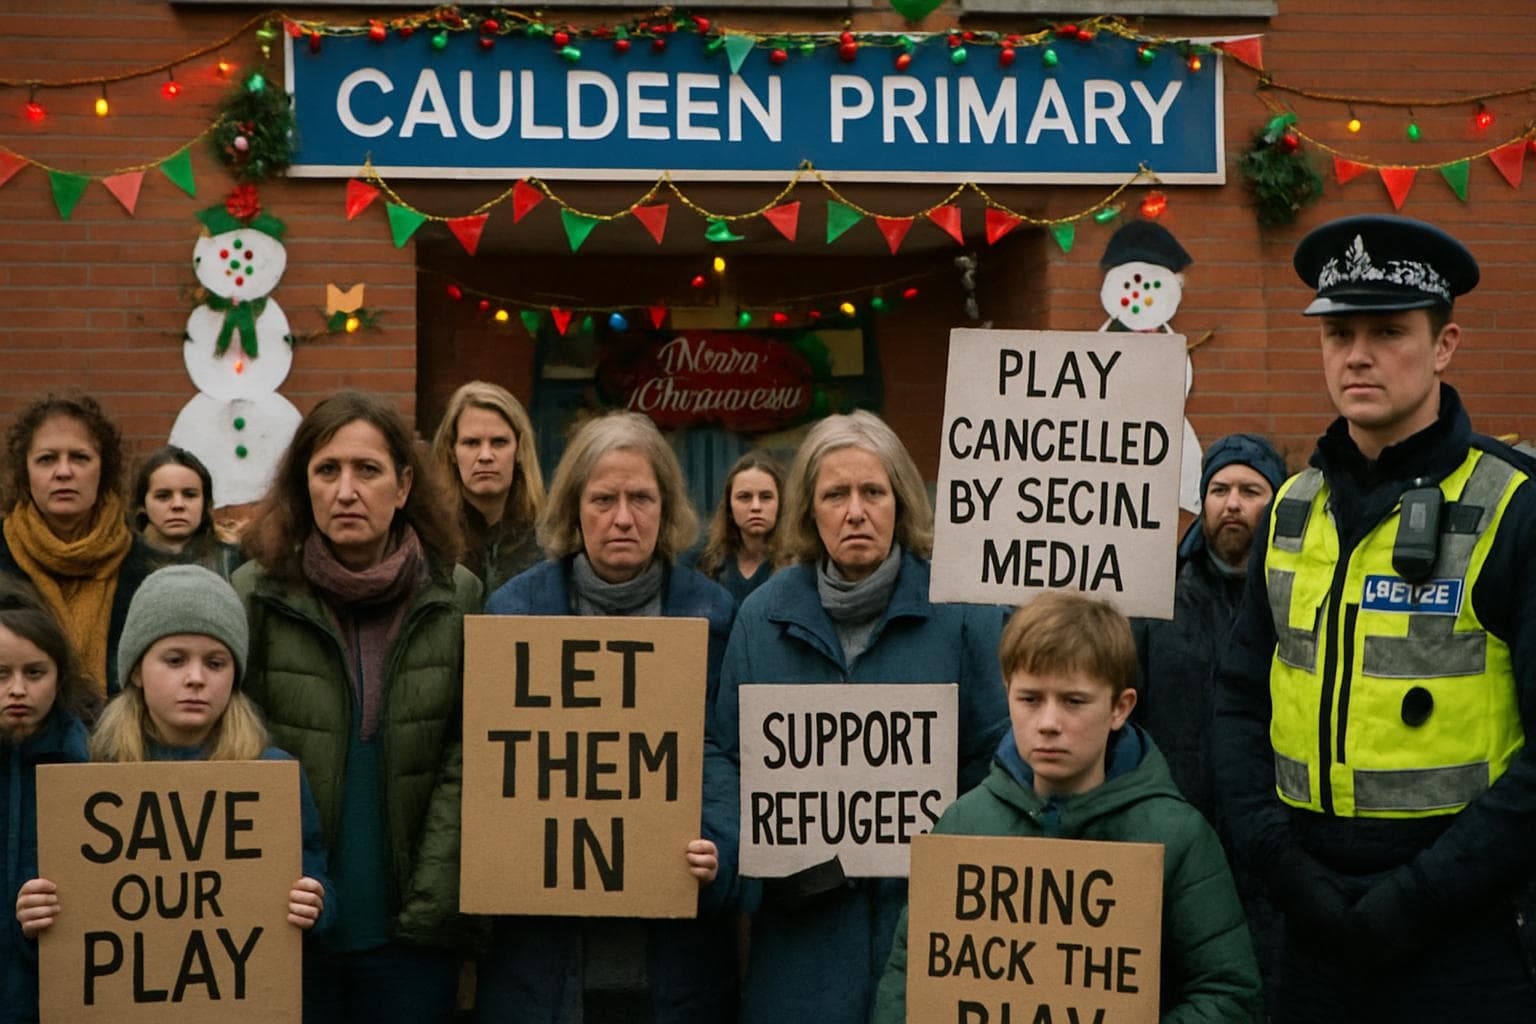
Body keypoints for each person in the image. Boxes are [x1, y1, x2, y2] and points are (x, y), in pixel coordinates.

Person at [1214, 214, 1536, 1022]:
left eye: (1389, 331)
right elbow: (1237, 699)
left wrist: (1420, 896)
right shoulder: (1290, 508)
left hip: (1463, 933)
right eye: (1339, 332)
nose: (1356, 355)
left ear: (1445, 344)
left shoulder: (1515, 509)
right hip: (1312, 920)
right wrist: (1280, 865)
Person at [705, 409, 1010, 1024]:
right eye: (835, 494)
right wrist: (748, 864)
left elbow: (996, 754)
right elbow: (725, 753)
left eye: (873, 491)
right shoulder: (761, 616)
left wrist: (952, 858)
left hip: (931, 931)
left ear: (900, 501)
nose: (855, 511)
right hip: (797, 944)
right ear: (809, 512)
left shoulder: (964, 611)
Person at [873, 592, 1262, 1022]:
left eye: (1073, 701)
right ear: (1006, 694)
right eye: (1030, 699)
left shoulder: (1178, 837)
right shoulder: (963, 825)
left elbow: (1229, 993)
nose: (1048, 723)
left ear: (1120, 707)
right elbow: (908, 983)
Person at [476, 410, 734, 1024]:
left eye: (641, 498)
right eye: (603, 499)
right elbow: (489, 765)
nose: (623, 518)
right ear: (572, 510)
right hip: (545, 955)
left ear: (668, 509)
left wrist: (720, 848)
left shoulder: (715, 615)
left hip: (673, 952)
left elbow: (725, 753)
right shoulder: (513, 616)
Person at [236, 391, 480, 1024]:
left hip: (413, 936)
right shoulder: (252, 594)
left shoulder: (458, 597)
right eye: (327, 470)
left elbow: (472, 756)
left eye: (367, 470)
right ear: (303, 486)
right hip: (284, 929)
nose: (346, 490)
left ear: (402, 487)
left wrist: (435, 907)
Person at [14, 566, 333, 1009]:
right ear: (138, 671)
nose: (196, 678)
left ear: (234, 674)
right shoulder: (87, 775)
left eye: (215, 662)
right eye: (175, 659)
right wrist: (34, 915)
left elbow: (313, 875)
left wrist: (314, 904)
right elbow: (59, 917)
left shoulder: (270, 775)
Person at [1133, 433, 1286, 825]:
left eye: (1250, 490)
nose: (1232, 503)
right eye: (1219, 490)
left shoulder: (1298, 597)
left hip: (1272, 824)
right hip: (1172, 816)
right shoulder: (1157, 600)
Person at [0, 395, 155, 700]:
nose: (63, 472)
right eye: (46, 459)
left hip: (121, 741)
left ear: (104, 468)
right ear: (25, 471)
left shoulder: (149, 569)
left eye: (80, 458)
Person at [0, 584, 90, 1024]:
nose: (17, 689)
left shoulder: (91, 768)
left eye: (35, 673)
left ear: (60, 676)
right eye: (0, 675)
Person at [429, 381, 546, 593]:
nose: (485, 456)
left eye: (499, 442)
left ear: (519, 450)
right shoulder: (431, 541)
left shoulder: (548, 542)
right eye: (471, 443)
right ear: (452, 452)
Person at [131, 445, 242, 579]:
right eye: (163, 496)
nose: (178, 505)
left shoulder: (232, 561)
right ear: (142, 504)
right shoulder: (122, 562)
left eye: (189, 495)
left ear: (205, 502)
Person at [694, 450, 785, 605]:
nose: (756, 507)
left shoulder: (800, 566)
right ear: (729, 507)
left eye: (766, 497)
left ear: (780, 504)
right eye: (744, 497)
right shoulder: (706, 563)